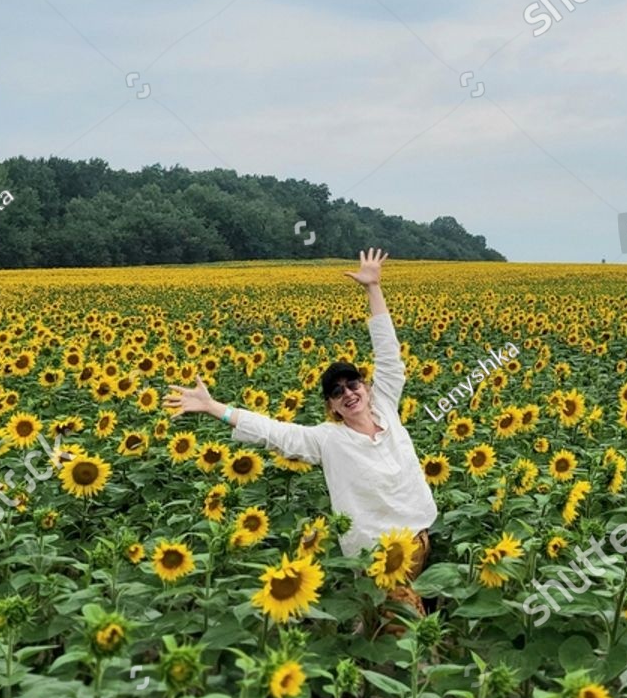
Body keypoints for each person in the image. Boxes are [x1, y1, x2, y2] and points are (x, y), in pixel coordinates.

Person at [163, 248, 438, 621]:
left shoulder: (386, 405)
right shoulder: (328, 439)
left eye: (352, 383)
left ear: (367, 386)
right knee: (404, 636)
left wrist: (373, 288)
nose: (348, 393)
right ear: (332, 407)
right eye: (337, 392)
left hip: (421, 539)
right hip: (378, 555)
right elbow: (275, 433)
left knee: (387, 622)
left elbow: (389, 355)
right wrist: (216, 409)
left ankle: (368, 658)